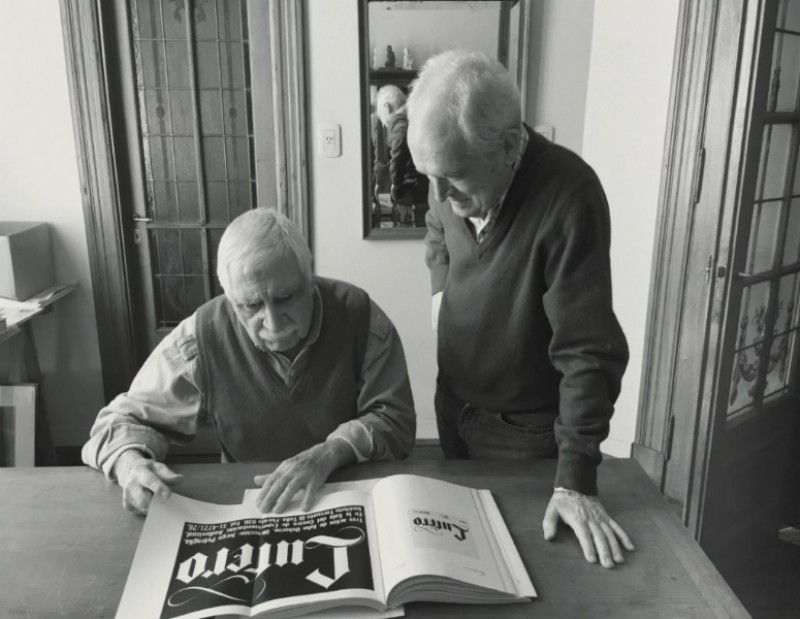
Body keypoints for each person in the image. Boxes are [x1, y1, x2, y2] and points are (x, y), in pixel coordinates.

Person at [406, 50, 634, 569]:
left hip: (523, 433)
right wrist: (445, 301)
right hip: (452, 405)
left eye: (452, 177)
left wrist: (576, 478)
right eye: (428, 176)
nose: (437, 193)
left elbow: (588, 351)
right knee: (462, 562)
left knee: (530, 572)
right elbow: (437, 232)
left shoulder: (569, 195)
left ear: (508, 146)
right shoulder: (448, 180)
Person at [82, 208, 416, 515]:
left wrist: (330, 452)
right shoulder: (200, 338)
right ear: (230, 298)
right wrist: (130, 465)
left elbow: (396, 422)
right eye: (251, 306)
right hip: (251, 503)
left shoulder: (360, 317)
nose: (273, 321)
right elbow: (116, 423)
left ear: (309, 279)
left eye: (286, 298)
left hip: (350, 493)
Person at [376, 84, 429, 227]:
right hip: (425, 189)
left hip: (413, 191)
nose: (385, 124)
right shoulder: (414, 115)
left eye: (382, 119)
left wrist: (395, 182)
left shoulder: (398, 120)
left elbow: (400, 137)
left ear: (387, 108)